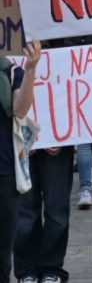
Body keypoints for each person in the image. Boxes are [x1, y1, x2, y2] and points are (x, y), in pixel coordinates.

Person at [2, 43, 41, 283]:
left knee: (3, 250)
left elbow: (20, 108)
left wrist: (30, 70)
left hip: (3, 171)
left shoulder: (9, 71)